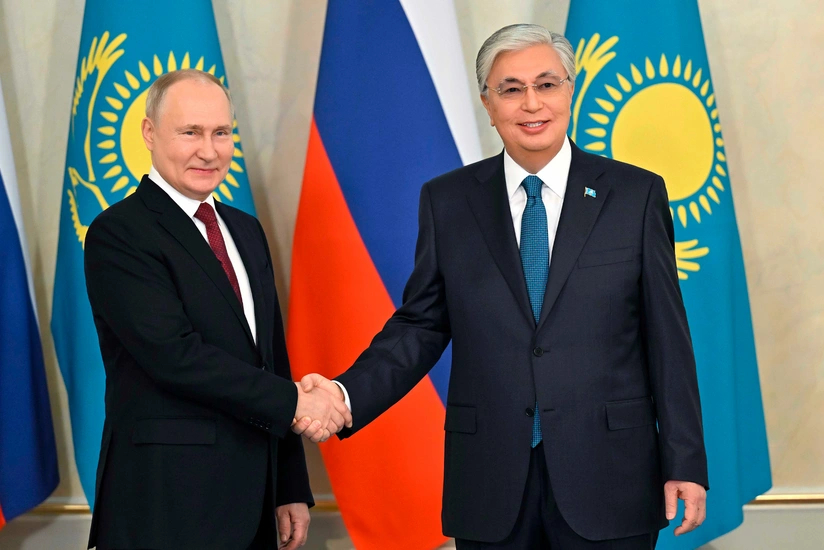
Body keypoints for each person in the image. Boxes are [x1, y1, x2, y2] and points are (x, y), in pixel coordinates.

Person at [299, 24, 709, 549]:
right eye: (511, 89)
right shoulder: (448, 201)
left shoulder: (636, 194)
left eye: (547, 84)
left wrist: (684, 460)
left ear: (570, 90)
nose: (531, 103)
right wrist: (343, 395)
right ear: (488, 105)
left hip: (610, 475)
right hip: (490, 481)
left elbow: (667, 338)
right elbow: (421, 326)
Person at [83, 69, 350, 550]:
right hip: (165, 503)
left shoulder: (244, 230)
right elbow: (174, 357)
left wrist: (289, 485)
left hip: (254, 502)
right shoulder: (119, 232)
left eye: (221, 133)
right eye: (190, 132)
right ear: (149, 132)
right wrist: (297, 402)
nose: (209, 151)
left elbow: (271, 358)